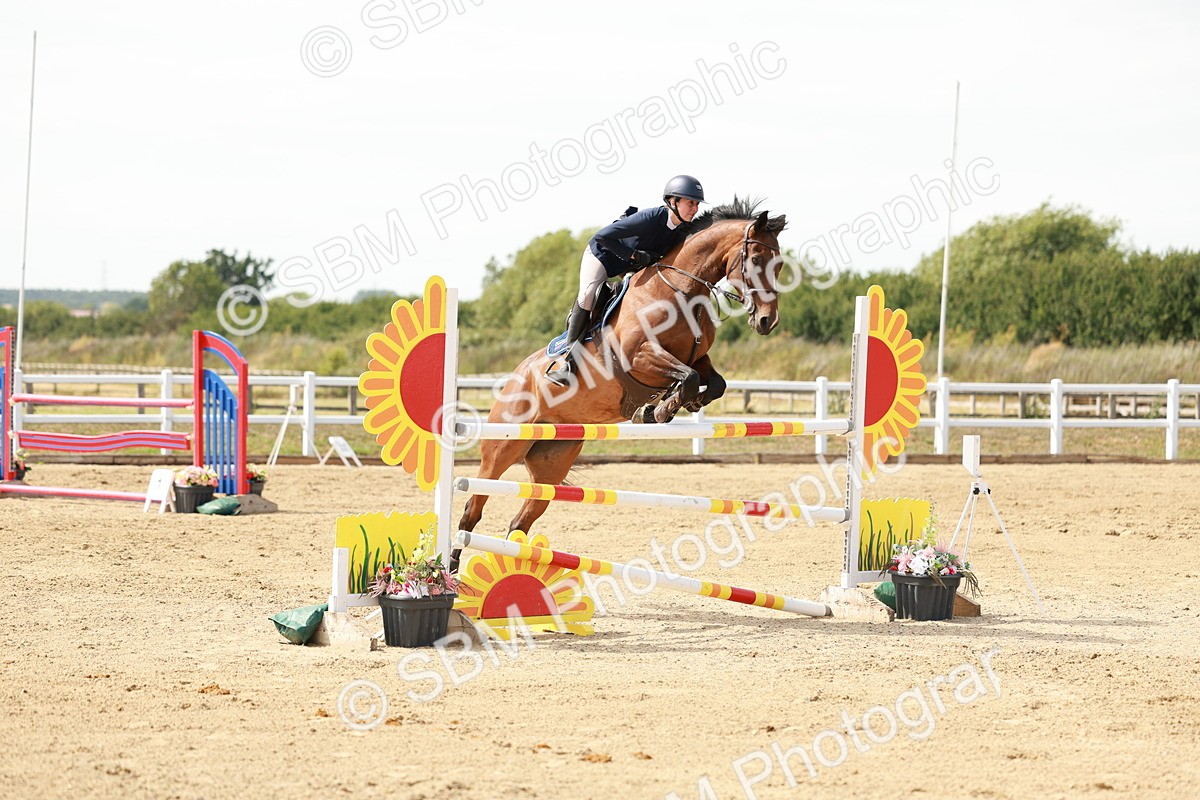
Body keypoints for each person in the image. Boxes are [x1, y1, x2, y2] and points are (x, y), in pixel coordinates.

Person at [545, 174, 705, 386]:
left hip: (628, 267)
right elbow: (601, 236)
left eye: (697, 204)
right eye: (690, 203)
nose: (694, 208)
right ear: (673, 201)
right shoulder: (650, 218)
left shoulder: (679, 232)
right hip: (602, 255)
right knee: (588, 296)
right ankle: (568, 362)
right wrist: (633, 255)